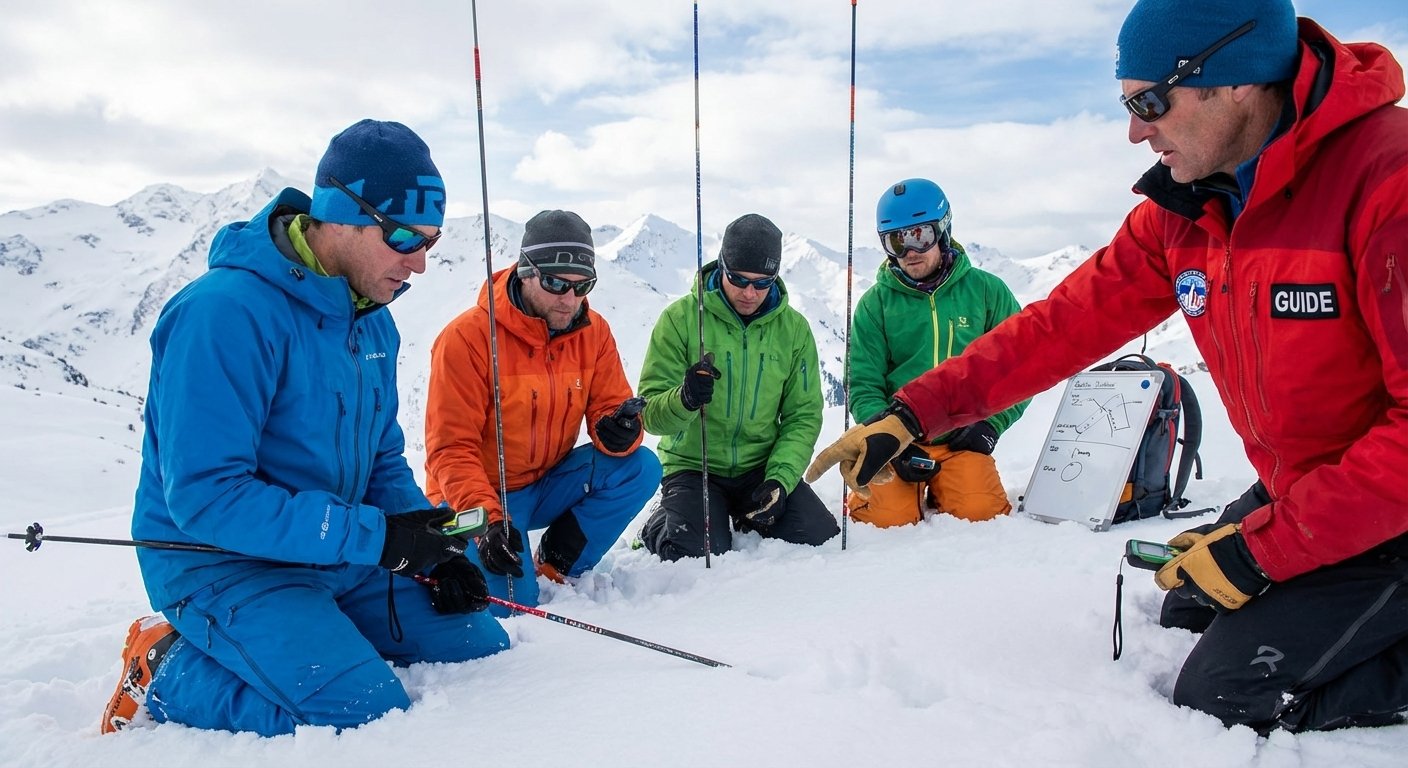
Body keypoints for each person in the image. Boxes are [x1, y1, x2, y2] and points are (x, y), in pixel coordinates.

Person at [808, 0, 1408, 733]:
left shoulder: (1387, 183)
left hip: (1388, 508)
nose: (1134, 130)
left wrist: (1267, 550)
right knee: (1189, 605)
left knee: (1223, 697)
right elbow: (1057, 329)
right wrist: (911, 414)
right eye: (1127, 104)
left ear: (1239, 78)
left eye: (1149, 101)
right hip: (1312, 480)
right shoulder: (1189, 209)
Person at [102, 119, 507, 737]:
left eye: (432, 241)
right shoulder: (223, 315)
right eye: (404, 238)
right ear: (340, 214)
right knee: (361, 713)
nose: (420, 265)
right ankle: (165, 664)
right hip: (224, 564)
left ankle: (315, 637)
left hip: (335, 553)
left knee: (482, 646)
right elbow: (206, 497)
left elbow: (381, 459)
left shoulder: (372, 320)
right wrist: (377, 540)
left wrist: (431, 548)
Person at [424, 210, 661, 614]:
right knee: (510, 607)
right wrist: (486, 524)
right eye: (555, 284)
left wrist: (619, 432)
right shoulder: (467, 339)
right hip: (478, 497)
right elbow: (450, 450)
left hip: (548, 481)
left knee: (640, 467)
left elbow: (610, 406)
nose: (570, 299)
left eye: (582, 286)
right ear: (525, 271)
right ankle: (475, 554)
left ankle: (555, 564)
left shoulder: (594, 332)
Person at [637, 213, 839, 560]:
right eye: (739, 279)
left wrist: (780, 478)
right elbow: (651, 415)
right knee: (696, 554)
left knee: (819, 535)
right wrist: (683, 400)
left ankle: (743, 516)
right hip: (693, 466)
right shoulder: (681, 319)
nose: (749, 293)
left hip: (758, 467)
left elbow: (802, 416)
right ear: (723, 266)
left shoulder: (793, 330)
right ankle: (659, 520)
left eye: (762, 283)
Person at [848, 178, 1028, 528]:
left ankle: (950, 487)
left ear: (943, 230)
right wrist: (885, 437)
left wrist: (991, 425)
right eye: (896, 241)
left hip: (962, 439)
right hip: (898, 439)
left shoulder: (986, 292)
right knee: (883, 522)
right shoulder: (876, 304)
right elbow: (863, 384)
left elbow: (1021, 367)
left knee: (981, 517)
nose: (909, 251)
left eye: (920, 236)